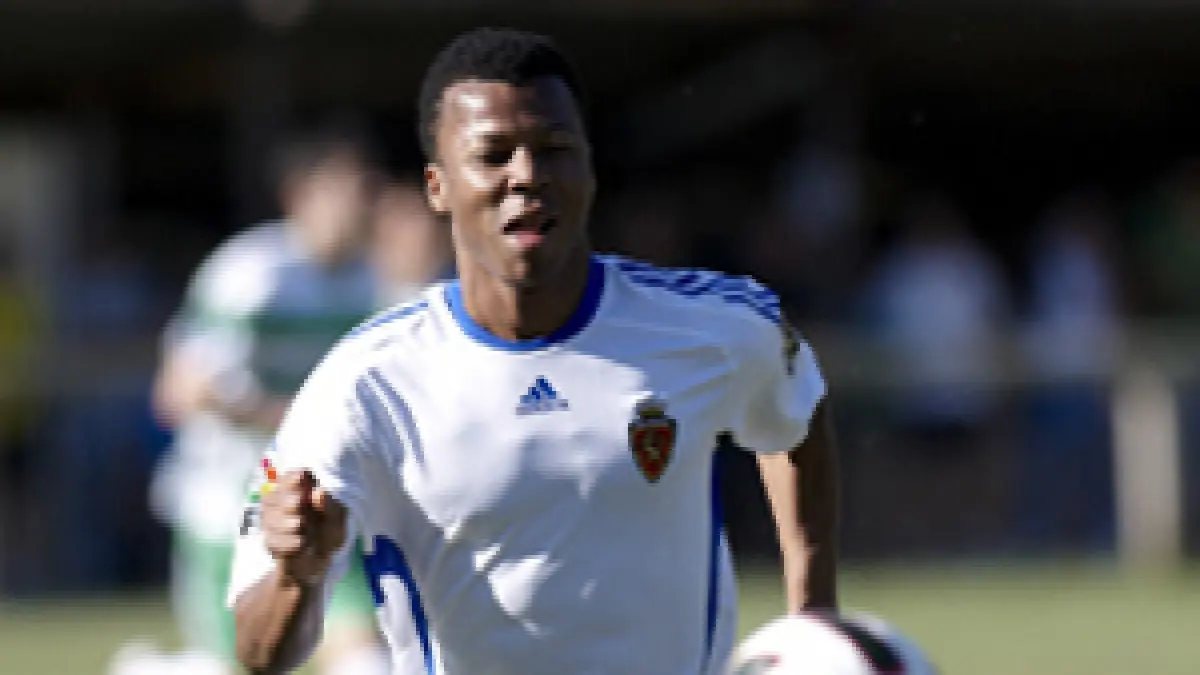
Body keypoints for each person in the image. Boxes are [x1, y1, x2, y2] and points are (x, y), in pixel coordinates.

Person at [229, 27, 838, 675]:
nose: (527, 176)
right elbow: (259, 652)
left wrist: (813, 621)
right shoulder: (362, 383)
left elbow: (795, 414)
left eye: (555, 150)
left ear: (589, 170)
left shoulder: (714, 326)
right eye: (493, 156)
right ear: (437, 187)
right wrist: (297, 576)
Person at [145, 124, 389, 675]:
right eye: (350, 187)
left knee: (366, 658)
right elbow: (180, 391)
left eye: (369, 187)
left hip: (320, 497)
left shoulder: (370, 280)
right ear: (301, 194)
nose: (363, 201)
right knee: (239, 661)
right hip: (228, 502)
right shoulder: (253, 275)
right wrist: (293, 421)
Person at [371, 176, 455, 306]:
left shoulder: (466, 302)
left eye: (406, 217)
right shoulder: (350, 300)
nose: (389, 231)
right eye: (384, 216)